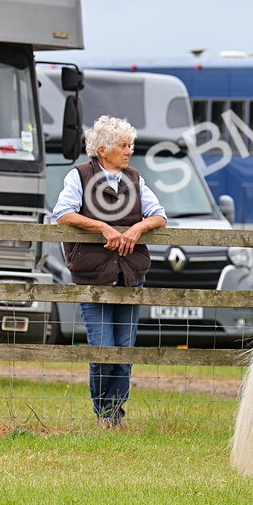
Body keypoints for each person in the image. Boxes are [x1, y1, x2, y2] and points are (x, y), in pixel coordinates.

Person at [50, 115, 167, 427]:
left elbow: (159, 215)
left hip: (130, 275)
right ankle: (104, 414)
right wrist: (102, 226)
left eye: (130, 145)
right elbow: (62, 213)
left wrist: (137, 229)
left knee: (124, 350)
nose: (129, 151)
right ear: (103, 150)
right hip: (93, 277)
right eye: (123, 145)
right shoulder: (79, 176)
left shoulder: (135, 178)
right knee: (103, 349)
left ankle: (116, 414)